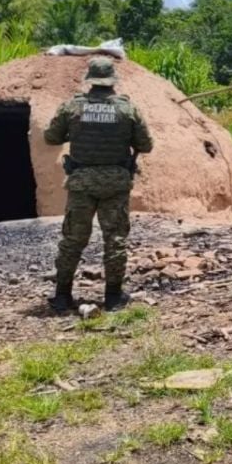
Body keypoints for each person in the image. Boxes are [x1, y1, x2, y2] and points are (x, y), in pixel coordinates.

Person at [44, 57, 153, 312]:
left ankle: (62, 296)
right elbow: (146, 145)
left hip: (82, 183)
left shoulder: (72, 107)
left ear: (90, 81)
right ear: (113, 81)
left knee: (73, 239)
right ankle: (113, 297)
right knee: (115, 239)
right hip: (116, 183)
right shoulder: (127, 110)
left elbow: (51, 138)